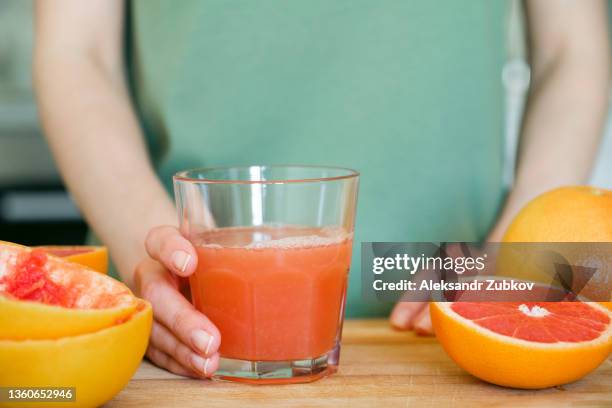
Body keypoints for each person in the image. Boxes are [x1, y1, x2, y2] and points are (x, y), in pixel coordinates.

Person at [34, 0, 609, 378]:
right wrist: (149, 246)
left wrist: (514, 250)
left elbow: (571, 50)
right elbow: (77, 50)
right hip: (176, 315)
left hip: (448, 328)